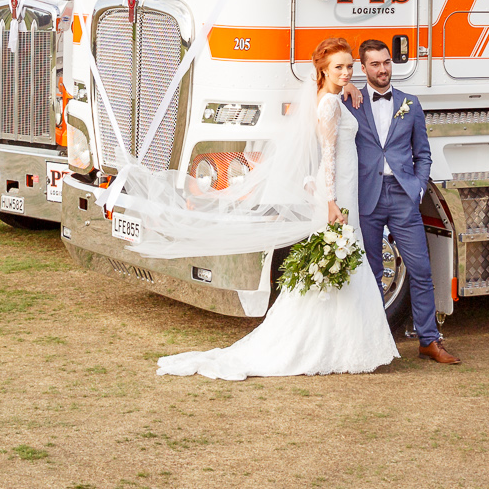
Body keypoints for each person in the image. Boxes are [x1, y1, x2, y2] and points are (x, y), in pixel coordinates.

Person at [156, 38, 400, 379]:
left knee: (340, 264)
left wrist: (353, 88)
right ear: (323, 70)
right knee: (345, 258)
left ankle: (341, 342)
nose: (346, 72)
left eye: (348, 66)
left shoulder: (329, 97)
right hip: (338, 189)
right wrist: (331, 203)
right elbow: (328, 156)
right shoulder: (329, 104)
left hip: (339, 186)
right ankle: (339, 345)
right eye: (339, 68)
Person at [347, 38, 457, 364]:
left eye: (386, 62)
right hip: (366, 196)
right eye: (375, 64)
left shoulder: (409, 103)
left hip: (402, 195)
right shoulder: (351, 101)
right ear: (363, 67)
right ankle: (371, 342)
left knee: (421, 269)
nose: (382, 69)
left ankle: (429, 341)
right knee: (370, 273)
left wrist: (419, 188)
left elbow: (423, 153)